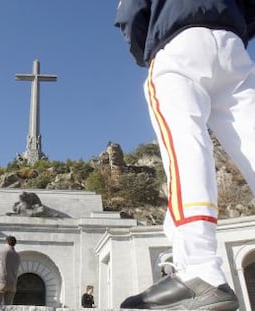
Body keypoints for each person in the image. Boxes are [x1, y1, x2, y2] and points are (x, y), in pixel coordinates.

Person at [115, 0, 255, 309]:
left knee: (186, 145)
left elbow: (131, 11)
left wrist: (148, 49)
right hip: (232, 43)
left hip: (178, 42)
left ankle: (200, 269)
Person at [0, 235, 21, 305]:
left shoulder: (2, 252)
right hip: (12, 284)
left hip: (2, 282)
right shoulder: (17, 255)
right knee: (8, 306)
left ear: (7, 242)